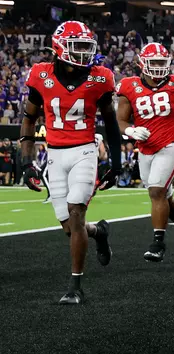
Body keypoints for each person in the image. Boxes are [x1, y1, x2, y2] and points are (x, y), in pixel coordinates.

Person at [20, 21, 119, 304]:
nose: (85, 53)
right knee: (69, 226)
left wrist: (116, 161)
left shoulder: (100, 78)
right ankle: (99, 232)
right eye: (79, 47)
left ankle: (75, 287)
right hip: (54, 153)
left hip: (84, 151)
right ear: (60, 47)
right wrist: (26, 163)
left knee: (76, 212)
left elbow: (111, 124)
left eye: (88, 47)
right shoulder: (40, 75)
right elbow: (29, 119)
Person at [115, 42, 174, 262]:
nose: (160, 67)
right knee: (164, 195)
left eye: (163, 62)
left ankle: (158, 243)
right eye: (155, 62)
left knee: (156, 190)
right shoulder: (128, 86)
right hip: (146, 147)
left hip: (171, 142)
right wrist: (131, 130)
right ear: (142, 63)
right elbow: (121, 121)